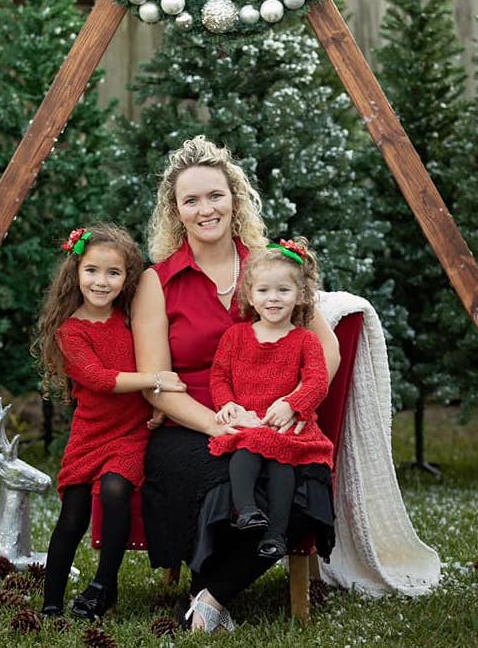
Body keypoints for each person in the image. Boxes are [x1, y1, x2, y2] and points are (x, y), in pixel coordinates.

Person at [131, 136, 341, 633]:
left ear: (235, 198)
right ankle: (213, 587)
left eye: (215, 195)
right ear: (175, 211)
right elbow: (158, 385)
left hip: (275, 421)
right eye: (191, 200)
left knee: (301, 485)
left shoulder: (270, 268)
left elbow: (325, 351)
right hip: (196, 422)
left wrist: (293, 405)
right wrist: (222, 424)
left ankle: (210, 596)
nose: (206, 209)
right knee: (221, 482)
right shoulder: (158, 281)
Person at [34, 223, 186, 620]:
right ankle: (51, 603)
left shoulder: (130, 318)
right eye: (92, 271)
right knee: (73, 516)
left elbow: (153, 355)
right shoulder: (70, 332)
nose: (102, 282)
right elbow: (100, 379)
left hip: (131, 433)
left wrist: (158, 402)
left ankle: (104, 582)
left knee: (117, 489)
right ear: (76, 272)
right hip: (89, 433)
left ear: (127, 278)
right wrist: (155, 381)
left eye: (113, 273)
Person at [208, 238, 334, 562]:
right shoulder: (235, 336)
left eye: (283, 291)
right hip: (249, 421)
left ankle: (276, 535)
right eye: (264, 291)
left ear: (301, 295)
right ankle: (246, 510)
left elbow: (318, 381)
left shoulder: (305, 340)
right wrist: (227, 405)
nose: (273, 299)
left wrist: (293, 404)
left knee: (282, 464)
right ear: (250, 295)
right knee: (245, 451)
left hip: (285, 427)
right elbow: (219, 376)